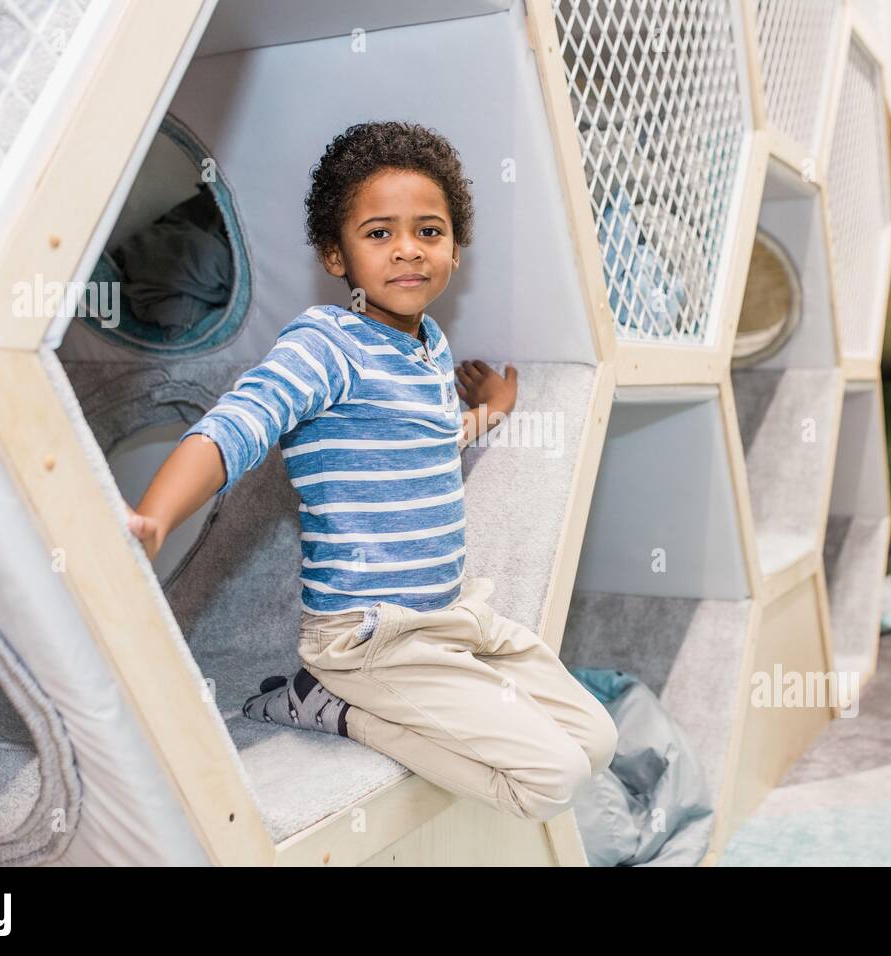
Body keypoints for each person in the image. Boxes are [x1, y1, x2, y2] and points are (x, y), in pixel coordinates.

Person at [125, 121, 616, 823]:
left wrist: (491, 410)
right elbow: (237, 425)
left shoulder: (426, 348)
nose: (408, 249)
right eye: (379, 233)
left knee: (597, 737)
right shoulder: (325, 343)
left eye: (430, 230)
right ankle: (330, 706)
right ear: (336, 254)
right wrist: (155, 515)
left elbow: (431, 445)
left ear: (454, 248)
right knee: (555, 777)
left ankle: (376, 694)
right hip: (369, 639)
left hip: (451, 619)